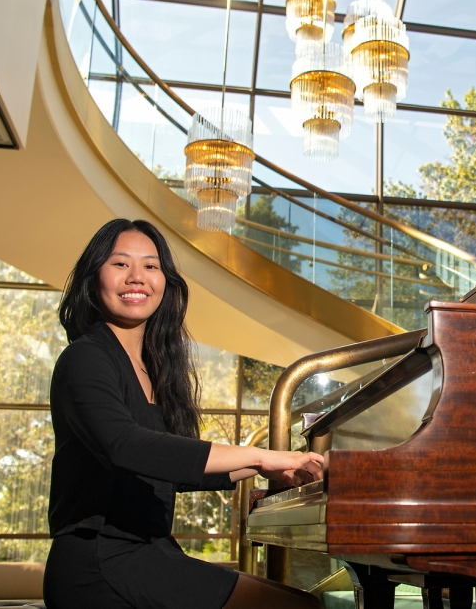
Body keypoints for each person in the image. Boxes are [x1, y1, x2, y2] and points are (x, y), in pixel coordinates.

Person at [44, 218, 324, 609]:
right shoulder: (86, 357)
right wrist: (260, 455)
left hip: (148, 552)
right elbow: (127, 446)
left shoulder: (153, 368)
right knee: (297, 607)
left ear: (165, 282)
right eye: (120, 264)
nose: (137, 277)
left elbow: (168, 466)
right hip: (100, 560)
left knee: (299, 601)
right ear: (94, 277)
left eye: (151, 266)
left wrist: (263, 468)